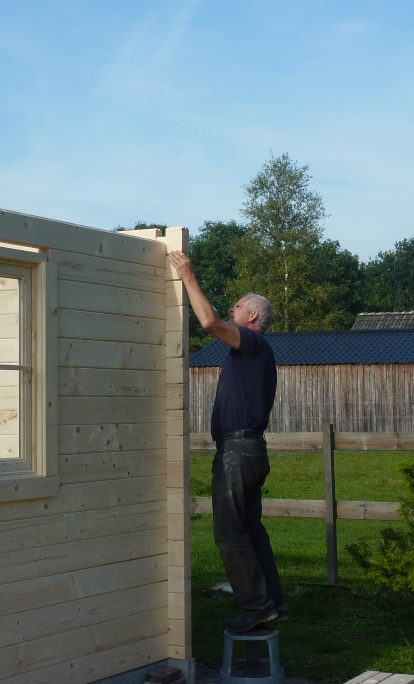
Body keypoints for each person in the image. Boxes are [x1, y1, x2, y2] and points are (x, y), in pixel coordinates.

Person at [169, 249, 286, 633]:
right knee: (250, 530)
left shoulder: (251, 342)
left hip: (238, 452)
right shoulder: (254, 351)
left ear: (252, 317)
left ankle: (257, 607)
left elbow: (208, 322)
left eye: (238, 305)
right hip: (248, 450)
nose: (232, 308)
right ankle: (273, 604)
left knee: (229, 534)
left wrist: (188, 276)